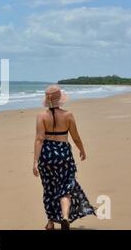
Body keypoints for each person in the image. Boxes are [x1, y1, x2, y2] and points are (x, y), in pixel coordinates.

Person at [33, 85, 95, 230]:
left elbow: (39, 139)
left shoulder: (41, 116)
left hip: (46, 154)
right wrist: (82, 150)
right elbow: (76, 137)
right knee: (65, 187)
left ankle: (50, 222)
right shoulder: (68, 115)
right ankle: (65, 217)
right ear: (60, 99)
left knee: (49, 188)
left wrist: (35, 161)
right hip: (63, 154)